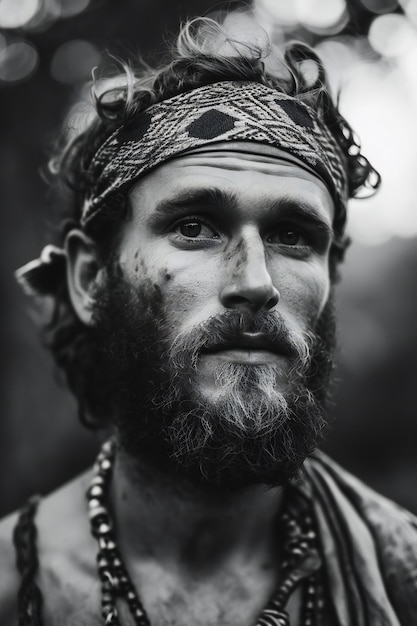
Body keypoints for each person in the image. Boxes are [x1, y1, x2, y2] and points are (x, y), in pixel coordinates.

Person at [1, 12, 416, 626]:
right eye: (193, 227)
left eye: (293, 235)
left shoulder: (400, 577)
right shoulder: (16, 589)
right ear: (91, 279)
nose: (257, 282)